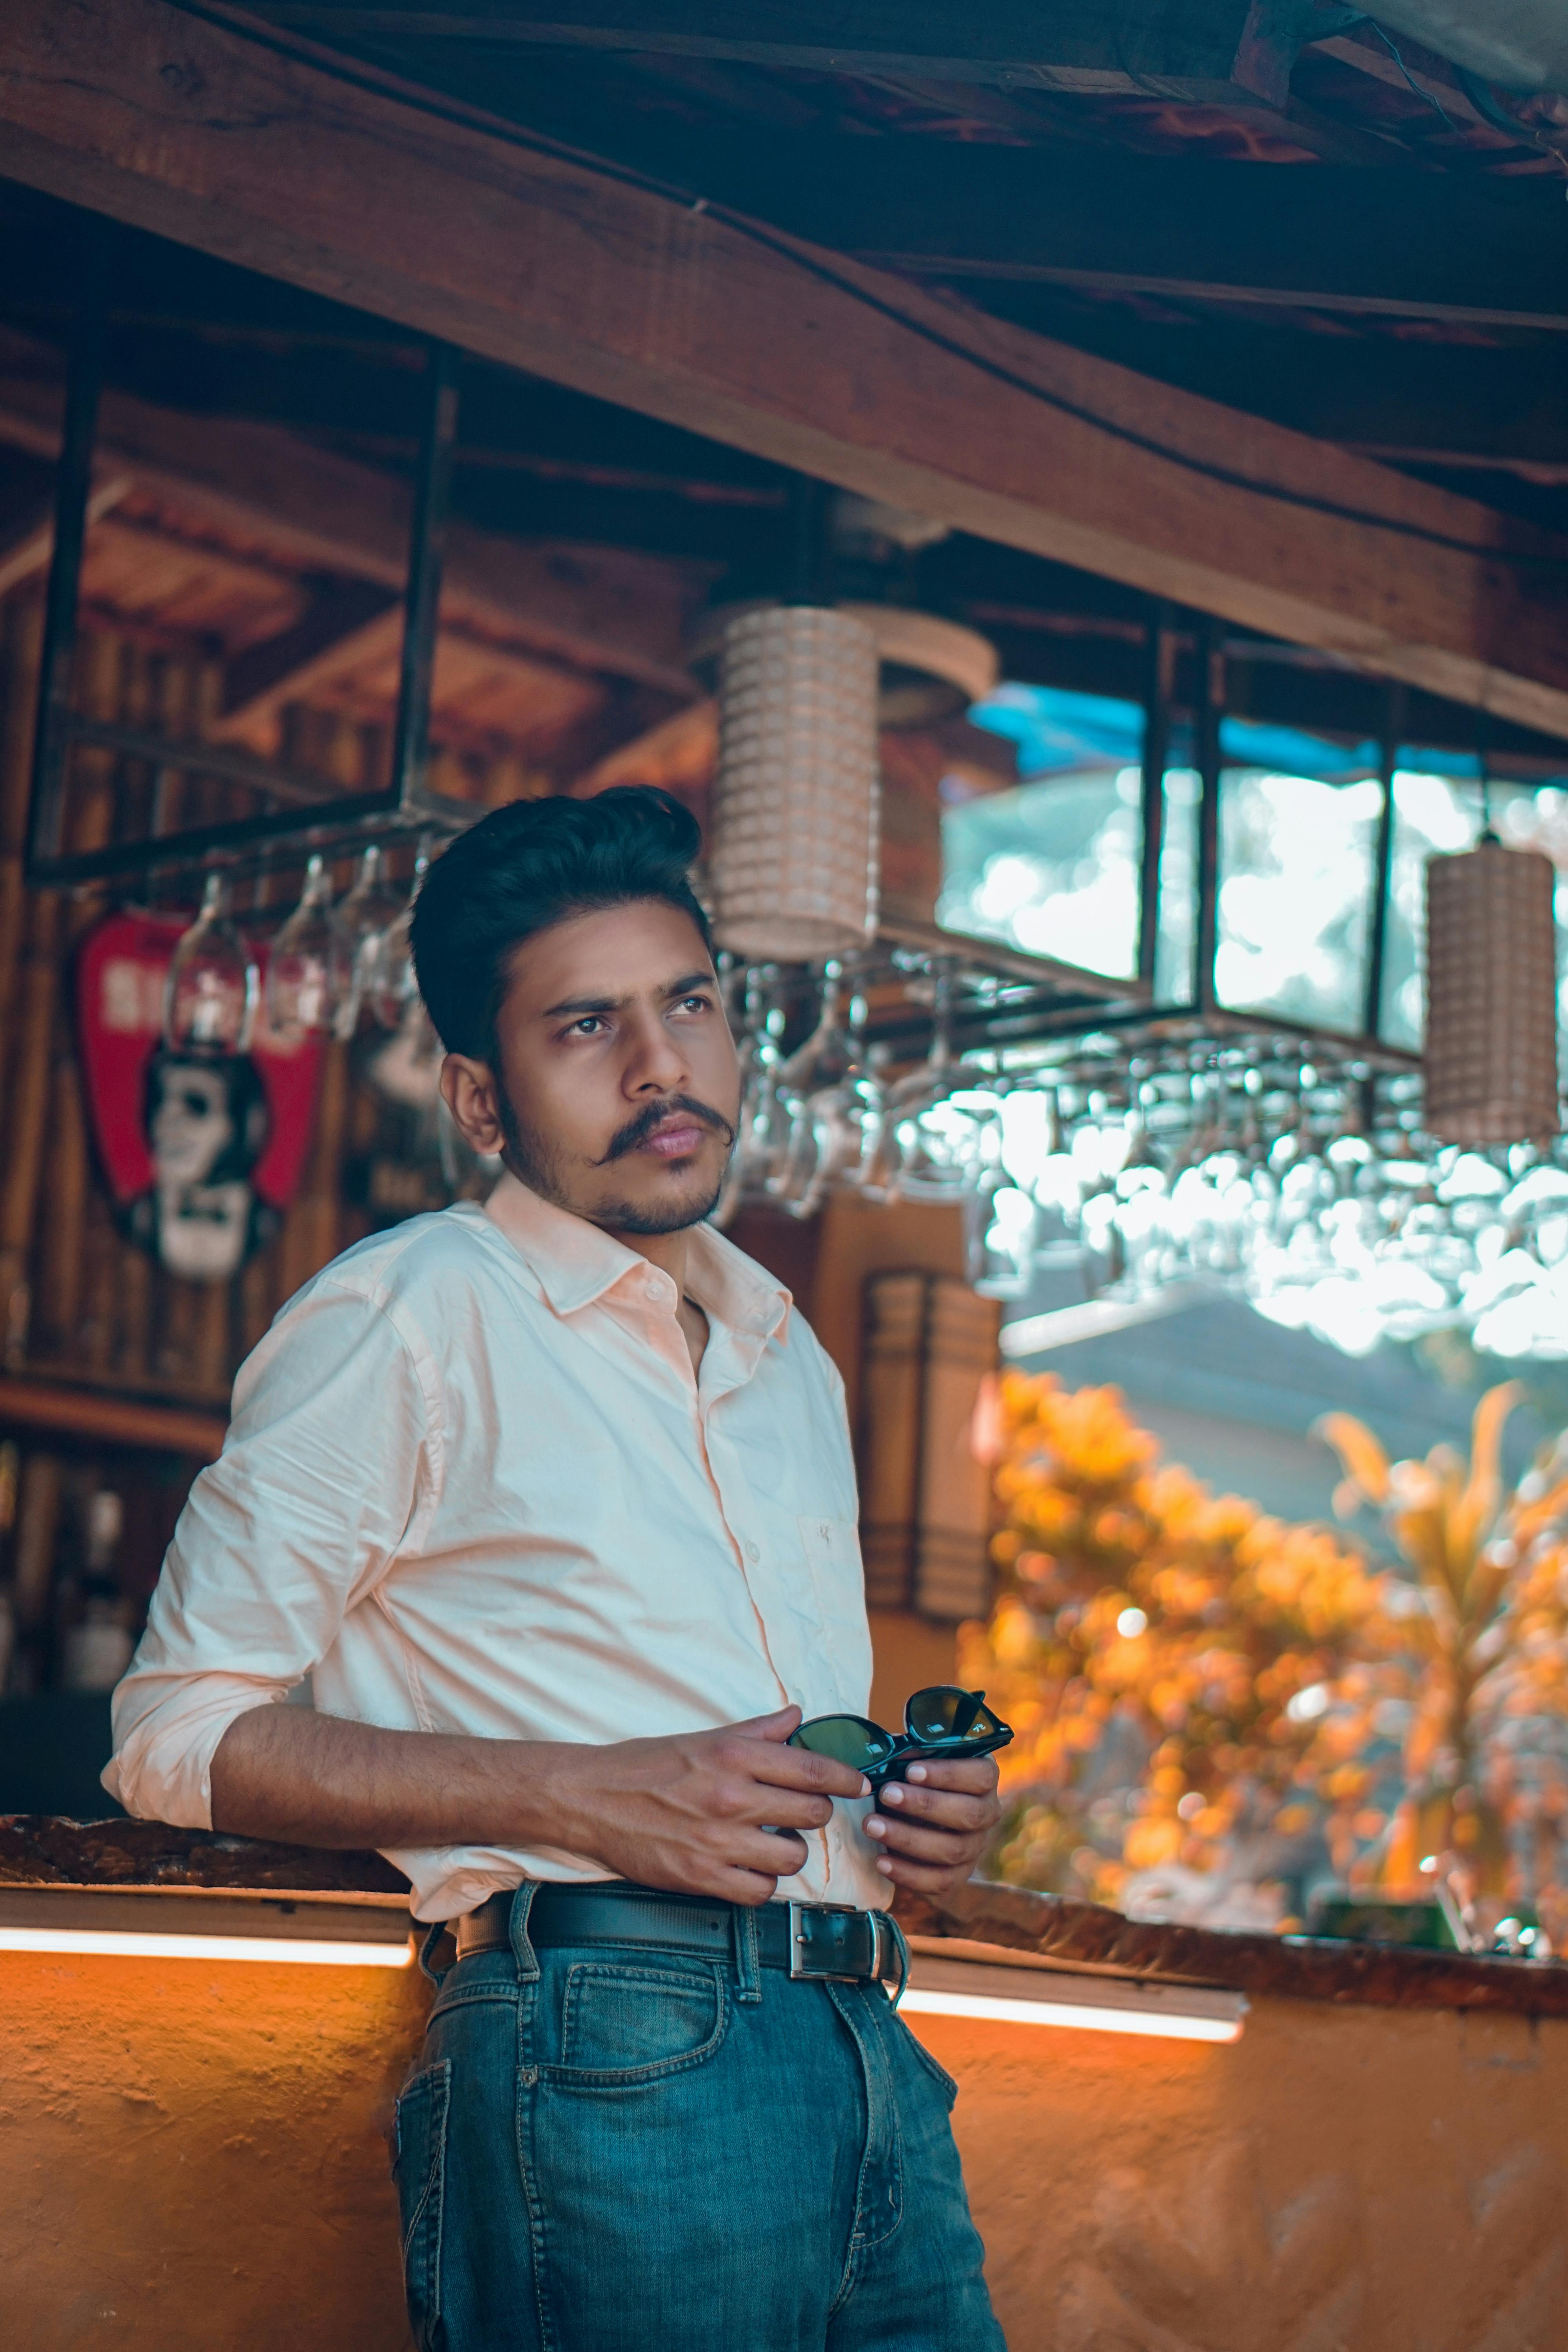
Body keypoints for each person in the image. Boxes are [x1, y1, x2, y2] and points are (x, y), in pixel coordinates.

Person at [105, 786, 1007, 2352]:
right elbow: (172, 1736)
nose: (662, 1067)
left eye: (691, 1007)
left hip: (868, 2039)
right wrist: (572, 1796)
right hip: (610, 2049)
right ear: (480, 1098)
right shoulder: (414, 1311)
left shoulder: (791, 1357)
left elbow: (752, 1746)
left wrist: (906, 1825)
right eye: (587, 1026)